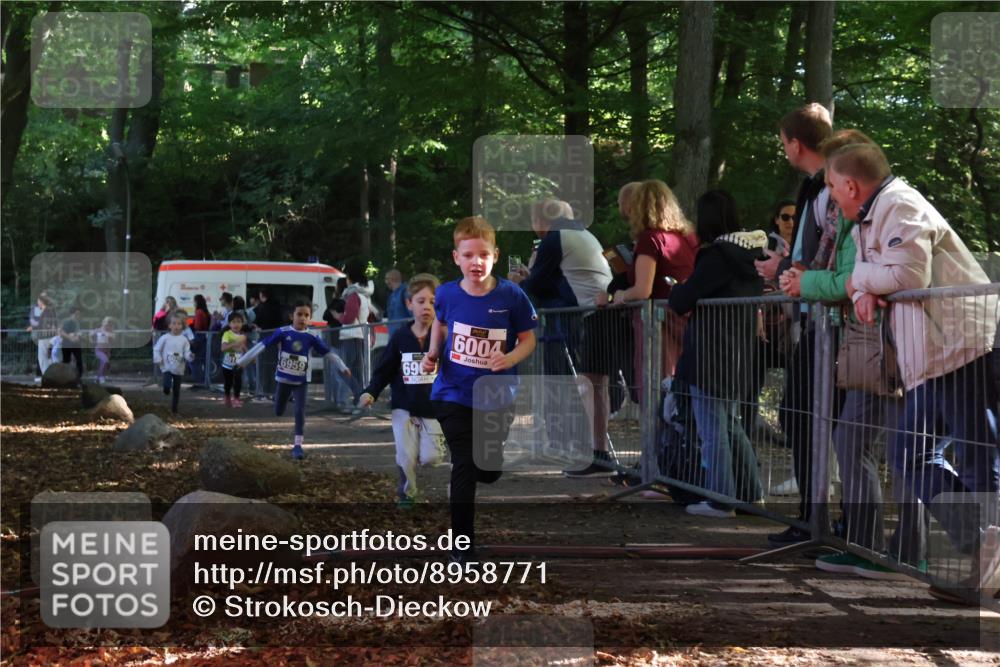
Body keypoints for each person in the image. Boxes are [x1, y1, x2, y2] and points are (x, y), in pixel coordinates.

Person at [828, 141, 999, 601]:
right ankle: (987, 556)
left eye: (831, 186)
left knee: (979, 462)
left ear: (850, 184)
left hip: (965, 347)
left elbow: (906, 277)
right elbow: (888, 272)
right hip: (935, 356)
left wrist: (857, 281)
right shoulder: (875, 213)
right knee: (910, 455)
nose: (831, 197)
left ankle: (991, 569)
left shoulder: (899, 204)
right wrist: (867, 283)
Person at [421, 216, 537, 563]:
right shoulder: (446, 294)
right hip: (453, 392)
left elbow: (529, 339)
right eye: (468, 255)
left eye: (483, 255)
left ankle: (490, 464)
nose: (476, 262)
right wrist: (432, 353)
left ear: (495, 255)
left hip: (497, 395)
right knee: (464, 463)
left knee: (487, 468)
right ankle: (462, 544)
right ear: (456, 257)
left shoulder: (512, 296)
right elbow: (439, 326)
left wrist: (510, 357)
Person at [754, 102, 835, 547]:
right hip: (817, 316)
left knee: (806, 417)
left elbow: (825, 254)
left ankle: (817, 522)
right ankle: (813, 517)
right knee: (803, 416)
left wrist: (785, 267)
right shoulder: (815, 187)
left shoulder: (827, 189)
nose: (783, 150)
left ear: (795, 143)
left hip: (829, 320)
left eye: (783, 143)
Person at [668, 190, 766, 518]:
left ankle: (721, 498)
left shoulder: (716, 255)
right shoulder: (751, 255)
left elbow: (684, 299)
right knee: (730, 424)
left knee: (713, 427)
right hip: (738, 351)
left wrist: (677, 289)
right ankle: (751, 493)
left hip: (709, 352)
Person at [509, 197, 615, 477]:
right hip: (598, 312)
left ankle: (589, 450)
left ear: (541, 220)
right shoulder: (583, 233)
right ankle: (595, 451)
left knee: (582, 383)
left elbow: (539, 286)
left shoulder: (555, 238)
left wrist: (522, 283)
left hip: (583, 317)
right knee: (593, 384)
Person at [359, 274, 447, 506]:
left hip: (433, 408)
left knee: (431, 458)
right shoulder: (400, 337)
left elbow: (454, 371)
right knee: (405, 456)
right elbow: (384, 370)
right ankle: (406, 494)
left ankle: (424, 448)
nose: (427, 307)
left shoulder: (443, 337)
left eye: (432, 302)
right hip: (403, 407)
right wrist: (371, 392)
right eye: (420, 301)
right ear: (409, 304)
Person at [610, 179, 699, 387]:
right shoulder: (689, 237)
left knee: (656, 385)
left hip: (659, 324)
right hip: (689, 319)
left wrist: (621, 295)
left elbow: (643, 289)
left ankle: (657, 420)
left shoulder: (650, 239)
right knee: (684, 384)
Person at [238, 300, 351, 459]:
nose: (302, 318)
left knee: (300, 411)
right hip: (283, 379)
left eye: (306, 315)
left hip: (301, 381)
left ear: (310, 318)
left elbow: (328, 353)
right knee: (278, 410)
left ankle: (298, 445)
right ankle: (279, 399)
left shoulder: (312, 336)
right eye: (299, 314)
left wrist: (343, 367)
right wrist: (242, 362)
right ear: (292, 316)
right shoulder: (282, 332)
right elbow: (262, 345)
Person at [339, 261, 375, 403]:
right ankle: (360, 401)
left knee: (342, 369)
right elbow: (371, 316)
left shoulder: (353, 295)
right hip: (360, 336)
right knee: (358, 372)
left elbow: (348, 318)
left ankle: (360, 396)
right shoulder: (365, 295)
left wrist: (338, 316)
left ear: (350, 278)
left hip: (350, 335)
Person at [153, 312, 195, 414]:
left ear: (182, 326)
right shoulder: (165, 338)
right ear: (169, 325)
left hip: (178, 367)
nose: (176, 326)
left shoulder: (184, 340)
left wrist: (190, 356)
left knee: (177, 390)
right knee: (167, 385)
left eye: (179, 324)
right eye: (174, 323)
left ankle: (174, 410)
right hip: (166, 366)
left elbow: (186, 352)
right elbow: (157, 349)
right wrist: (158, 359)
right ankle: (166, 388)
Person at [220, 311, 249, 407]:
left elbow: (244, 348)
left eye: (239, 322)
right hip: (227, 364)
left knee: (238, 382)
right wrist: (234, 344)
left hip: (238, 363)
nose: (236, 324)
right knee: (228, 383)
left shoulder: (243, 336)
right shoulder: (227, 334)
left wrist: (251, 357)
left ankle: (236, 399)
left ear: (242, 323)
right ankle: (227, 397)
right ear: (229, 324)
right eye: (233, 322)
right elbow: (223, 348)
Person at [33, 294, 59, 380]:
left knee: (43, 358)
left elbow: (48, 325)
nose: (37, 303)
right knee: (48, 357)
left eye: (38, 301)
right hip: (49, 337)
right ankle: (51, 376)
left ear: (41, 302)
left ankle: (47, 376)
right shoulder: (50, 310)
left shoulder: (46, 311)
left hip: (45, 338)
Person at [59, 305, 84, 379]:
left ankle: (79, 376)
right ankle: (63, 376)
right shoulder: (68, 322)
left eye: (79, 314)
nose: (78, 315)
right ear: (72, 314)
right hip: (67, 344)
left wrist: (79, 337)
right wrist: (70, 338)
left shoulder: (78, 323)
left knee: (79, 360)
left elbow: (78, 332)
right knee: (66, 360)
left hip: (76, 344)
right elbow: (62, 332)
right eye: (76, 314)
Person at [385, 268, 412, 335]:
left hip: (404, 334)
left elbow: (412, 313)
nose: (385, 281)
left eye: (386, 279)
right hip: (394, 334)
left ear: (391, 279)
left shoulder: (405, 292)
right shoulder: (392, 295)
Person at [93, 317, 115, 384]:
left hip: (107, 351)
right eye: (105, 322)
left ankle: (98, 378)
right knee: (105, 361)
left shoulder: (111, 331)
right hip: (99, 350)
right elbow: (91, 335)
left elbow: (113, 337)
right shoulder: (98, 330)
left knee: (104, 364)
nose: (106, 325)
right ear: (103, 323)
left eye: (108, 323)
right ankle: (101, 377)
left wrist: (106, 333)